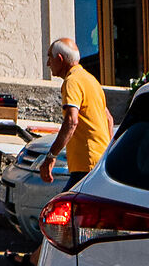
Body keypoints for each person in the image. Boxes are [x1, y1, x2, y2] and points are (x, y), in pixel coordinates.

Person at [41, 38, 113, 190]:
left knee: (63, 210)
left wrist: (51, 156)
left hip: (85, 164)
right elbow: (108, 118)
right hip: (98, 162)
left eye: (49, 57)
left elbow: (72, 121)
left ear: (60, 59)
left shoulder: (72, 81)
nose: (48, 63)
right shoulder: (91, 80)